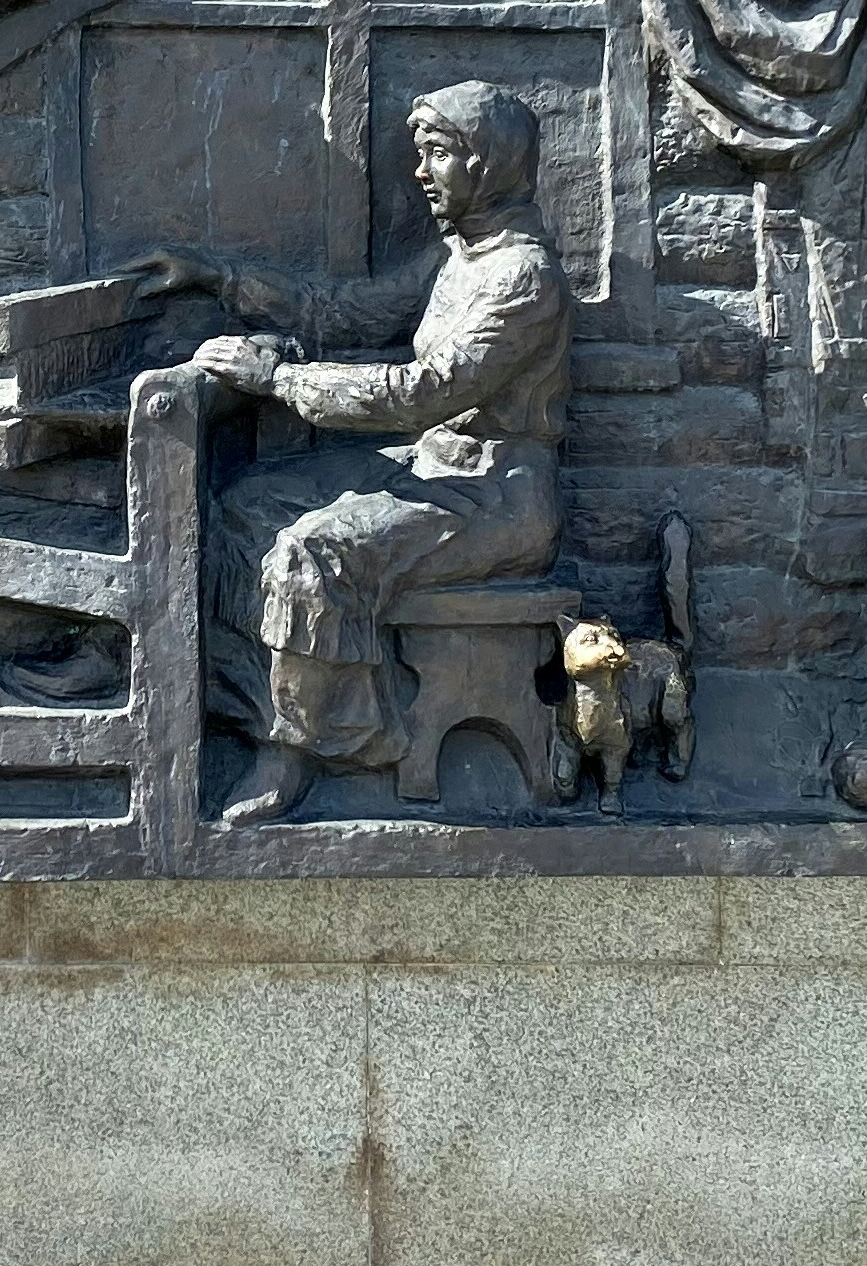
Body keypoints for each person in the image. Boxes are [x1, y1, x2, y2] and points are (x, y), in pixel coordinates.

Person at [131, 80, 575, 826]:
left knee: (315, 551)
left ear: (490, 163)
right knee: (247, 508)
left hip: (499, 497)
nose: (422, 173)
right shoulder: (460, 254)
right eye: (421, 155)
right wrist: (221, 277)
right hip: (438, 470)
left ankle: (304, 751)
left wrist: (279, 379)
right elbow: (348, 312)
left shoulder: (521, 276)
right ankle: (247, 709)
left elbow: (425, 391)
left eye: (438, 154)